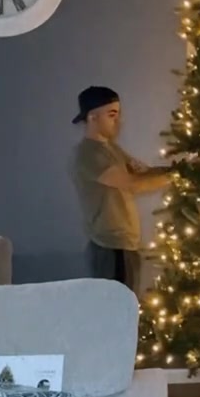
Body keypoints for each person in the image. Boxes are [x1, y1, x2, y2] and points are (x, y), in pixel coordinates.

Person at [70, 85, 173, 296]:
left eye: (118, 114)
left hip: (126, 245)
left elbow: (144, 172)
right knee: (115, 308)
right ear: (92, 117)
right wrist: (178, 176)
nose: (118, 121)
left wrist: (181, 169)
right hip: (110, 247)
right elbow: (133, 183)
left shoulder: (111, 149)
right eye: (112, 115)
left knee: (127, 305)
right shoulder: (89, 154)